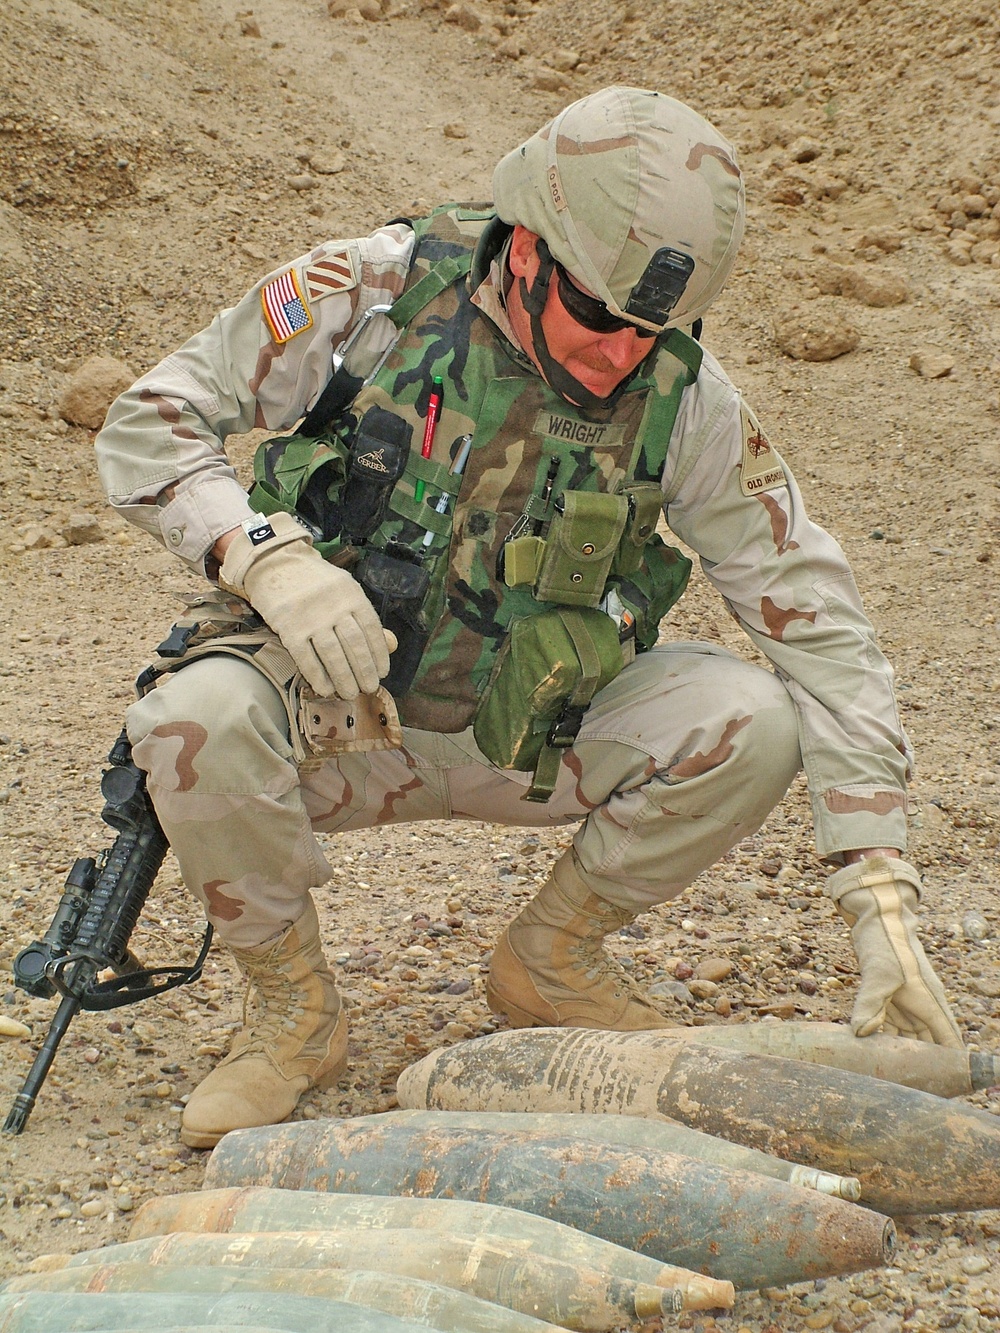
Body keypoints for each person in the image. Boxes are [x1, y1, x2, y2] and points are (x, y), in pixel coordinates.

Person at [95, 86, 963, 1150]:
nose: (618, 355)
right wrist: (257, 552)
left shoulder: (684, 397)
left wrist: (876, 885)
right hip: (342, 722)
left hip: (534, 732)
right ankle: (292, 1014)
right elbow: (148, 420)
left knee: (754, 719)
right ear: (525, 245)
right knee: (192, 721)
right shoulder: (369, 295)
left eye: (653, 329)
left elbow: (812, 609)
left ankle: (551, 961)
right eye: (598, 315)